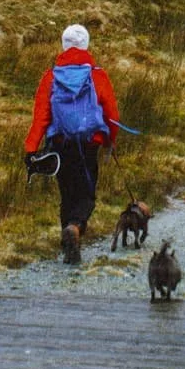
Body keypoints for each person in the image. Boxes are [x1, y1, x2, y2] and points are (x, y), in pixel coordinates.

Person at [26, 23, 121, 265]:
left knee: (67, 192)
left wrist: (31, 148)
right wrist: (110, 140)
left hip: (60, 144)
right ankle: (75, 228)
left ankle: (67, 241)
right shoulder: (97, 75)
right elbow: (112, 113)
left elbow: (41, 116)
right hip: (89, 143)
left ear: (64, 45)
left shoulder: (50, 77)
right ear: (86, 45)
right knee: (86, 195)